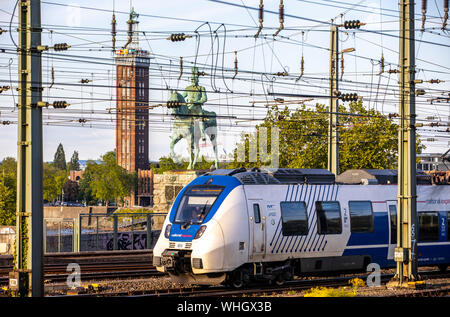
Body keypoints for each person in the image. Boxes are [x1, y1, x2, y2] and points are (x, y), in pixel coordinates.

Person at [182, 67, 207, 141]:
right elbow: (183, 96)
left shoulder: (201, 88)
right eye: (191, 79)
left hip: (197, 108)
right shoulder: (187, 88)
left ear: (197, 79)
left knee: (200, 120)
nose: (192, 80)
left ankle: (203, 134)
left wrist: (196, 102)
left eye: (194, 79)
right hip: (189, 108)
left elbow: (204, 99)